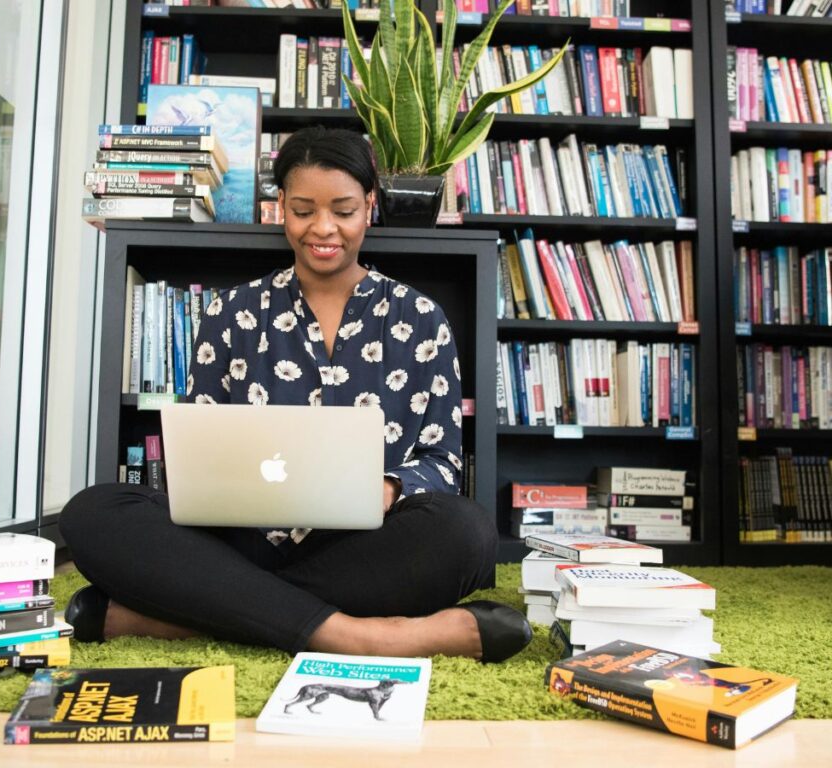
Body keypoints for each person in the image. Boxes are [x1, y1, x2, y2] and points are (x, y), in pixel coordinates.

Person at [61, 126, 532, 663]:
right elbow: (199, 449)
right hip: (236, 540)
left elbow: (443, 462)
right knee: (92, 513)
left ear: (370, 206)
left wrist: (386, 488)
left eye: (344, 210)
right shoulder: (230, 313)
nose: (323, 228)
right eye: (304, 209)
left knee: (467, 533)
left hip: (363, 546)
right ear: (280, 205)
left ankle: (188, 615)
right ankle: (366, 636)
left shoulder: (421, 318)